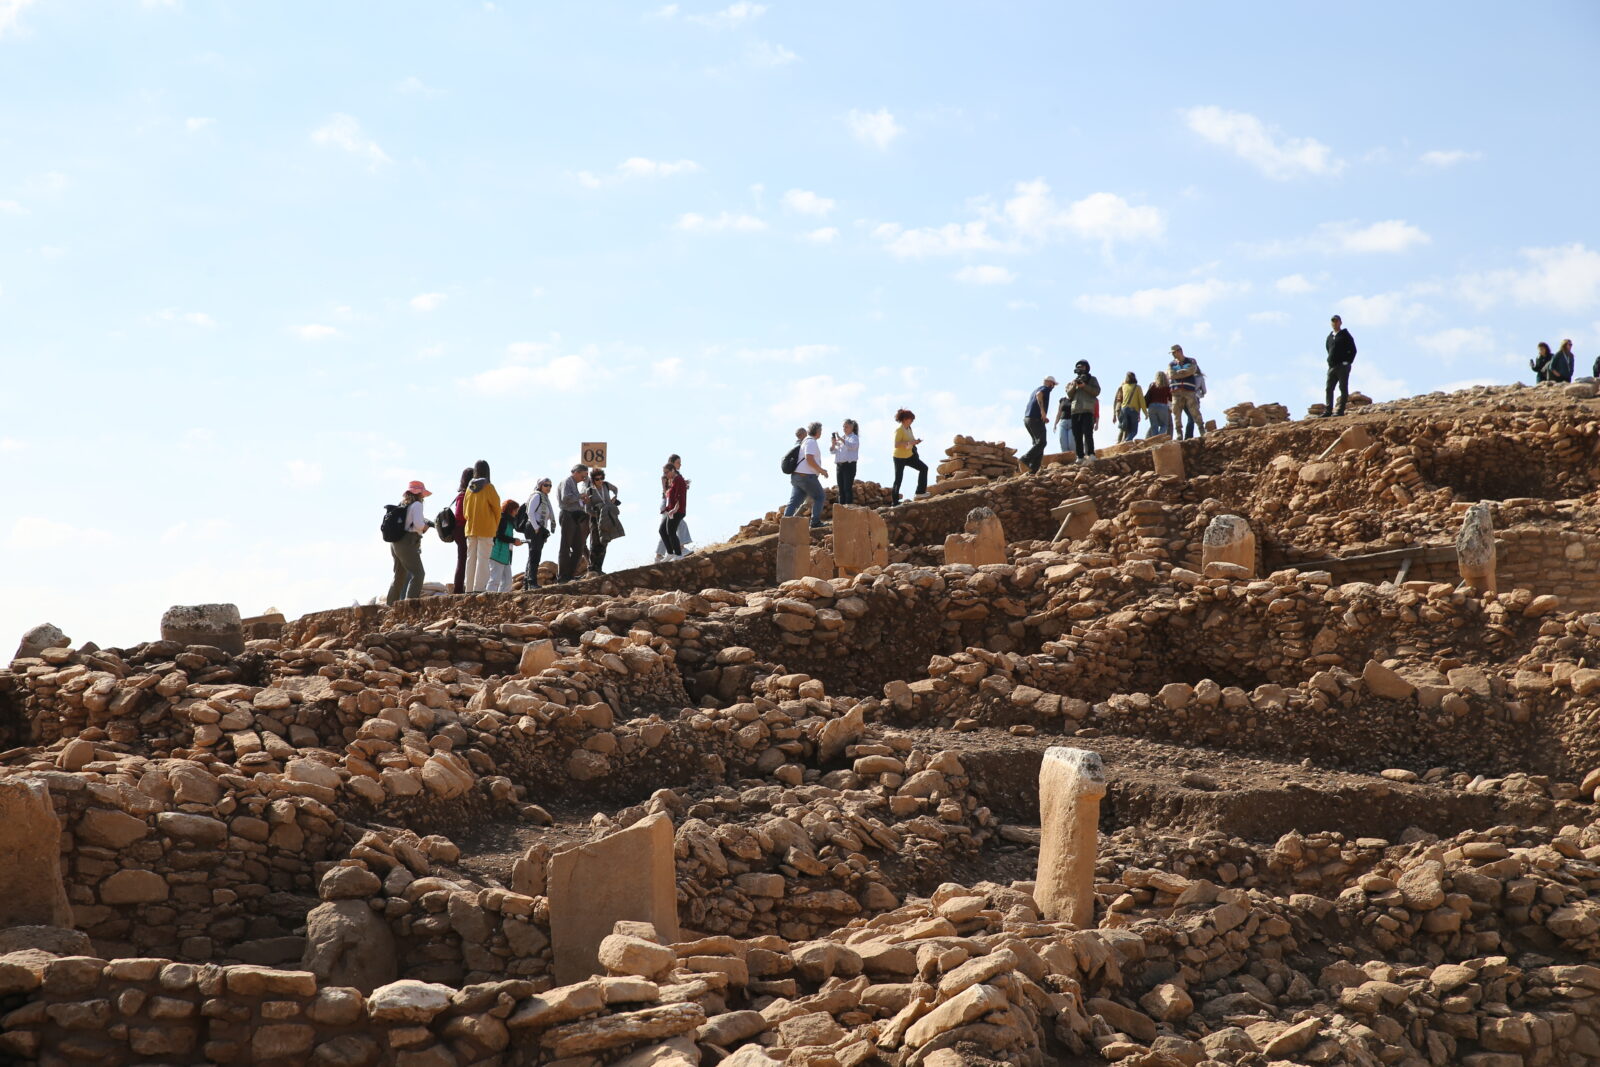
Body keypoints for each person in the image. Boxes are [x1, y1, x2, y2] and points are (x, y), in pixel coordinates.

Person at [386, 481, 433, 605]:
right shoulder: (417, 505)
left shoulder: (403, 504)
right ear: (419, 493)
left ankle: (390, 606)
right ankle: (409, 605)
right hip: (407, 542)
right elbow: (418, 524)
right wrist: (425, 527)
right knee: (418, 574)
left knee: (399, 575)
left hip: (395, 543)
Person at [462, 460, 501, 593]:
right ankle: (478, 589)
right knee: (483, 559)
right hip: (486, 527)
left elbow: (465, 512)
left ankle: (468, 589)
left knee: (470, 559)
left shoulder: (469, 488)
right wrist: (494, 525)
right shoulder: (489, 487)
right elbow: (497, 509)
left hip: (470, 528)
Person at [785, 422, 829, 527]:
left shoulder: (804, 441)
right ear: (817, 431)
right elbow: (809, 458)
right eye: (821, 431)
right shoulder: (811, 442)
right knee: (819, 496)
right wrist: (821, 470)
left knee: (795, 502)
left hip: (797, 477)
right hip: (806, 476)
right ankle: (815, 522)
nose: (821, 433)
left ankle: (785, 526)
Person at [556, 463, 590, 583]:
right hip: (567, 515)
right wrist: (580, 496)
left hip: (574, 516)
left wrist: (582, 501)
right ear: (577, 472)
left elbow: (574, 500)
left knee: (578, 547)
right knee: (565, 547)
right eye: (584, 475)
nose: (584, 478)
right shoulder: (567, 481)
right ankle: (562, 577)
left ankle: (570, 575)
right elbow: (566, 498)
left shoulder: (574, 484)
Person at [586, 468, 623, 574]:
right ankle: (592, 567)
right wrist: (597, 515)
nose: (600, 481)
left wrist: (614, 498)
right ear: (593, 480)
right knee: (595, 542)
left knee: (604, 542)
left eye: (601, 478)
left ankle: (599, 568)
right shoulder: (590, 491)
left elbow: (616, 489)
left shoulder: (606, 485)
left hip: (607, 518)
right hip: (595, 519)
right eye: (597, 479)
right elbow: (587, 509)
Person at [521, 478, 555, 588]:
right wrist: (536, 527)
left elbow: (547, 515)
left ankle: (527, 582)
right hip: (533, 528)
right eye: (546, 485)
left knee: (534, 555)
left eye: (550, 485)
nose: (548, 487)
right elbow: (530, 512)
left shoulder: (545, 498)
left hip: (539, 530)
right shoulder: (537, 496)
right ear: (540, 485)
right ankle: (532, 582)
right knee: (534, 555)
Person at [1065, 360, 1101, 461]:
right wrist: (1075, 386)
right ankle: (1080, 456)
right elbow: (1069, 395)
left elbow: (1096, 391)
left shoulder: (1092, 379)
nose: (1079, 368)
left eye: (1081, 367)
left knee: (1088, 433)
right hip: (1075, 410)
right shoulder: (1073, 381)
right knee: (1077, 434)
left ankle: (1091, 454)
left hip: (1087, 409)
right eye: (1078, 367)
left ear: (1086, 368)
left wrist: (1084, 386)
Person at [486, 498, 524, 593]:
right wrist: (514, 540)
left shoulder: (509, 521)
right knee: (494, 580)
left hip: (505, 555)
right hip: (497, 554)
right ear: (511, 510)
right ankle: (489, 601)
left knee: (507, 582)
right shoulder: (502, 519)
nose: (517, 513)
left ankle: (500, 602)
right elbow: (500, 536)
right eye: (516, 510)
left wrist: (514, 541)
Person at [890, 409, 928, 503]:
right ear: (905, 419)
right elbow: (896, 444)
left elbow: (911, 440)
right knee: (898, 478)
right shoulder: (899, 430)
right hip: (899, 458)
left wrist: (916, 441)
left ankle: (920, 492)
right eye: (911, 419)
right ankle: (894, 502)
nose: (912, 421)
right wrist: (909, 442)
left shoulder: (909, 429)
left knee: (924, 468)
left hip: (909, 456)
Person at [1022, 375, 1057, 473]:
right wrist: (1042, 412)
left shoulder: (1035, 389)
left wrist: (1043, 416)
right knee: (1042, 442)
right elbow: (1039, 395)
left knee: (1038, 444)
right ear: (1049, 382)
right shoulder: (1045, 389)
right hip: (1035, 418)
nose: (1053, 386)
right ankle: (1025, 459)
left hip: (1028, 419)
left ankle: (1033, 470)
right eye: (1053, 384)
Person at [1324, 315, 1357, 417]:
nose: (1335, 323)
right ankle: (1328, 410)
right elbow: (1328, 349)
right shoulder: (1329, 337)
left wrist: (1347, 361)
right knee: (1329, 388)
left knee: (1342, 387)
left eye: (1336, 321)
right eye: (1333, 321)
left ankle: (1340, 410)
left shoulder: (1345, 335)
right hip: (1332, 367)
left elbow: (1353, 350)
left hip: (1342, 366)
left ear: (1340, 322)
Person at [1168, 345, 1204, 439]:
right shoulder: (1171, 364)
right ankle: (1179, 433)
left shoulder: (1191, 361)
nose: (1173, 355)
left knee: (1194, 410)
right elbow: (1171, 375)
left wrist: (1180, 373)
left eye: (1174, 352)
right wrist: (1183, 372)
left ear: (1179, 351)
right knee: (1176, 412)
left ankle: (1201, 429)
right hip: (1176, 390)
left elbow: (1191, 371)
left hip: (1189, 389)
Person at [450, 467, 472, 594]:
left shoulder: (461, 495)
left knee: (463, 558)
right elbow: (459, 516)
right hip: (462, 529)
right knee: (463, 559)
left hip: (459, 530)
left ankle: (460, 588)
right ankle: (458, 589)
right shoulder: (464, 495)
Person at [660, 461, 688, 559]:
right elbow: (670, 497)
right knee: (662, 530)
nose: (665, 474)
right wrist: (667, 509)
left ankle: (678, 555)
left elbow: (679, 496)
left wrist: (675, 509)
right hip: (671, 511)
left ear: (673, 470)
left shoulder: (678, 479)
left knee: (671, 532)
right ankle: (671, 553)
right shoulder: (673, 481)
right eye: (664, 473)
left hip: (677, 511)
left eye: (667, 472)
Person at [831, 420, 860, 505]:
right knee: (840, 488)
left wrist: (841, 439)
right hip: (839, 466)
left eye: (846, 427)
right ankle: (841, 509)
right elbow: (833, 451)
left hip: (849, 465)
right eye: (843, 426)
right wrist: (833, 444)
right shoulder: (842, 439)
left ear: (851, 427)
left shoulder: (854, 437)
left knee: (847, 488)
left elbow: (852, 446)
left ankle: (848, 508)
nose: (844, 428)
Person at [1113, 372, 1147, 442]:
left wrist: (1114, 413)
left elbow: (1117, 399)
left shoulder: (1124, 386)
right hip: (1133, 410)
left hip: (1124, 410)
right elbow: (1141, 401)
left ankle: (1119, 443)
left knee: (1124, 428)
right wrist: (1145, 413)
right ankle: (1126, 441)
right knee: (1133, 431)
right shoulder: (1138, 387)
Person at [1144, 371, 1173, 438]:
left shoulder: (1152, 386)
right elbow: (1171, 399)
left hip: (1152, 407)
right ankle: (1159, 438)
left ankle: (1154, 439)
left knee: (1154, 425)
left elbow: (1148, 396)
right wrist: (1170, 408)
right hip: (1163, 406)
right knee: (1164, 425)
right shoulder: (1167, 387)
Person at [1051, 388, 1073, 454]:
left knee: (1071, 443)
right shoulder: (1062, 400)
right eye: (1067, 388)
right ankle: (1067, 461)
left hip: (1072, 422)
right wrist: (1055, 424)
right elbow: (1059, 412)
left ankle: (1074, 459)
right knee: (1063, 443)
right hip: (1062, 422)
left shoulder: (1075, 398)